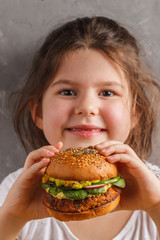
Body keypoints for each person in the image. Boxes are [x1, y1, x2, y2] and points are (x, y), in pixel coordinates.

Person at [0, 16, 160, 240]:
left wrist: (156, 207)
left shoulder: (156, 187)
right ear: (38, 112)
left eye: (107, 93)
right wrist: (11, 219)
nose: (87, 108)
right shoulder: (15, 192)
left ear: (135, 114)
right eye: (67, 92)